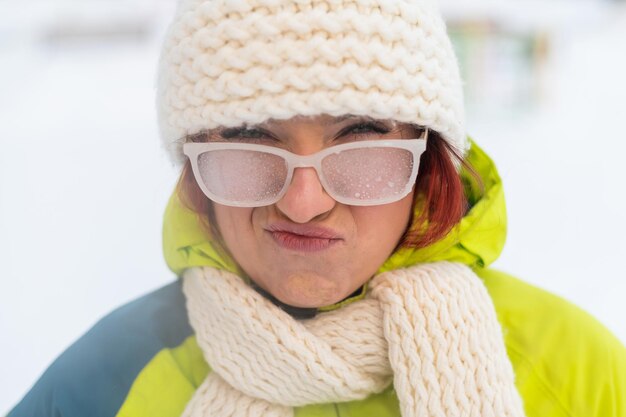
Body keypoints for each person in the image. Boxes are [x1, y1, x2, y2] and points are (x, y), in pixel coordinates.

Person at [7, 0, 626, 416]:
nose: (304, 204)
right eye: (252, 139)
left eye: (358, 140)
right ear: (194, 163)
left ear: (427, 159)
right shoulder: (104, 386)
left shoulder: (577, 375)